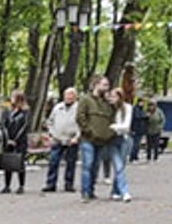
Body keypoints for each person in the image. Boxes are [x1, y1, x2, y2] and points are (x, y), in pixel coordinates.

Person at [76, 74, 115, 202]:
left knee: (95, 166)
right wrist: (89, 131)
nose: (107, 87)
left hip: (102, 139)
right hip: (88, 139)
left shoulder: (106, 103)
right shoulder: (86, 99)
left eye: (107, 85)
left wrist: (109, 133)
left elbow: (111, 118)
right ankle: (85, 192)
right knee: (87, 165)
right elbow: (80, 117)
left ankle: (91, 190)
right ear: (96, 84)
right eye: (104, 84)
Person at [41, 87, 80, 193]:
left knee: (70, 163)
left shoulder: (79, 108)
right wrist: (51, 134)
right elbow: (50, 122)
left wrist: (77, 137)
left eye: (71, 94)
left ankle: (69, 184)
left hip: (71, 139)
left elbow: (82, 124)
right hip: (57, 139)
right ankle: (50, 183)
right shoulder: (58, 107)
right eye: (67, 94)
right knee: (53, 161)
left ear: (75, 96)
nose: (69, 97)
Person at [107, 88, 133, 202]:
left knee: (121, 167)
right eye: (110, 96)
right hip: (112, 140)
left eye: (114, 96)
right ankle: (125, 192)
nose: (111, 99)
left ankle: (115, 191)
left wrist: (113, 126)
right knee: (118, 166)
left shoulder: (127, 108)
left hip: (124, 139)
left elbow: (126, 126)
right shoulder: (108, 109)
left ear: (120, 97)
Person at [2, 89, 29, 194]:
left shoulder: (25, 111)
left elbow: (24, 127)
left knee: (20, 162)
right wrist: (7, 138)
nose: (11, 98)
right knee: (7, 162)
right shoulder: (7, 111)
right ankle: (7, 185)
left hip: (20, 141)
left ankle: (21, 185)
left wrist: (15, 140)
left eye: (13, 96)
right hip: (8, 140)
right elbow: (3, 125)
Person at [129, 96, 147, 162]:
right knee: (135, 144)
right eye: (141, 102)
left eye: (143, 102)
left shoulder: (142, 109)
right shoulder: (135, 108)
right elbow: (137, 116)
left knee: (138, 144)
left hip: (141, 129)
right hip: (136, 129)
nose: (142, 104)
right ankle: (132, 157)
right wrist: (145, 116)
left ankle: (135, 156)